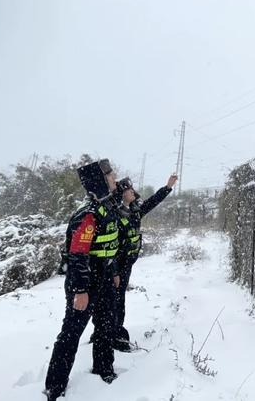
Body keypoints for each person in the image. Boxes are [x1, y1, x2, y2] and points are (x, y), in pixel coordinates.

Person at [44, 159, 122, 401]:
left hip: (106, 278)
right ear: (99, 180)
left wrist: (116, 271)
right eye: (109, 175)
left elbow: (112, 244)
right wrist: (80, 290)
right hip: (86, 283)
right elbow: (77, 255)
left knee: (106, 326)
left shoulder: (108, 207)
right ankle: (55, 387)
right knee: (71, 334)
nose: (114, 178)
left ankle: (104, 368)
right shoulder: (86, 215)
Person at [112, 174, 178, 351]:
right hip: (116, 266)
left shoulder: (134, 210)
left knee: (118, 299)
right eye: (128, 190)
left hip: (127, 264)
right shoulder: (115, 215)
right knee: (115, 300)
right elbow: (110, 245)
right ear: (121, 194)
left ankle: (111, 332)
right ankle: (115, 335)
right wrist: (115, 271)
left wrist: (167, 187)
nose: (133, 192)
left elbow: (152, 202)